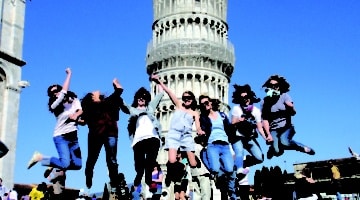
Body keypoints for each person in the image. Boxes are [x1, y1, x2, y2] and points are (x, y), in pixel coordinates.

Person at [27, 68, 83, 173]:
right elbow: (64, 92)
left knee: (78, 165)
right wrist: (69, 74)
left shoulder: (74, 99)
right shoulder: (55, 105)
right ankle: (40, 157)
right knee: (65, 164)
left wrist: (76, 115)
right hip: (61, 137)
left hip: (73, 137)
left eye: (57, 90)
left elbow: (80, 110)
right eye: (52, 93)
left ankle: (54, 163)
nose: (55, 93)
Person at [153, 76, 204, 186]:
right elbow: (169, 91)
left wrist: (200, 131)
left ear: (192, 99)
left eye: (189, 97)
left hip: (186, 136)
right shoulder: (178, 105)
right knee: (172, 161)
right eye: (184, 97)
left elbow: (198, 126)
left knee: (193, 164)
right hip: (174, 135)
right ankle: (176, 173)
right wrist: (159, 81)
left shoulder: (195, 113)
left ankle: (191, 160)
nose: (186, 99)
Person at [119, 74, 166, 191]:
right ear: (136, 98)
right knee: (139, 164)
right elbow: (123, 105)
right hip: (139, 140)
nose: (141, 99)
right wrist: (117, 91)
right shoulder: (132, 110)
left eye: (144, 97)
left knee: (150, 161)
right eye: (139, 97)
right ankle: (139, 176)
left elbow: (160, 95)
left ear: (147, 99)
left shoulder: (150, 107)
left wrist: (158, 81)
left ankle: (149, 180)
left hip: (152, 137)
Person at [80, 77, 125, 197]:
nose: (97, 91)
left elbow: (118, 94)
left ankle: (114, 183)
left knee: (112, 159)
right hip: (96, 136)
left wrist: (117, 88)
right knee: (92, 160)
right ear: (92, 98)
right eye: (94, 93)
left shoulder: (107, 104)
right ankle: (88, 174)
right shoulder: (90, 108)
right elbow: (83, 119)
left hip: (110, 134)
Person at [261, 75, 315, 159]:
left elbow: (293, 113)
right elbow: (265, 120)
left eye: (276, 85)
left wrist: (291, 107)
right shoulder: (265, 101)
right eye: (271, 85)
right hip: (274, 129)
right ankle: (273, 148)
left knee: (284, 142)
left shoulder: (285, 96)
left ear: (279, 86)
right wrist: (268, 134)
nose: (274, 87)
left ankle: (302, 148)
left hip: (287, 126)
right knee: (277, 152)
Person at [198, 95, 236, 200]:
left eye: (207, 102)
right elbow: (203, 128)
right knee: (214, 169)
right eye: (202, 104)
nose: (205, 105)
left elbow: (229, 127)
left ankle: (226, 185)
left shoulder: (222, 115)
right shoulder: (203, 117)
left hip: (224, 144)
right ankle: (204, 154)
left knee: (229, 169)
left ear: (210, 102)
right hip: (212, 144)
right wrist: (201, 132)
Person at [230, 84, 272, 180]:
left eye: (247, 97)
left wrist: (266, 137)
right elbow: (232, 122)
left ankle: (240, 164)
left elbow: (260, 128)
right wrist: (240, 120)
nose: (245, 99)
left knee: (259, 158)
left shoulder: (256, 111)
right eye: (242, 98)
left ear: (250, 97)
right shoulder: (237, 109)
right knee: (239, 152)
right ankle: (239, 169)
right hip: (237, 136)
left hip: (249, 137)